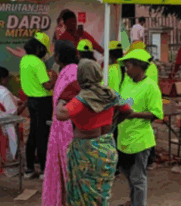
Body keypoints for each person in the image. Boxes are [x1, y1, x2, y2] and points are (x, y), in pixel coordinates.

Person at [56, 59, 133, 206]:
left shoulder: (83, 98)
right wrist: (113, 125)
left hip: (86, 152)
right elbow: (128, 110)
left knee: (84, 196)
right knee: (101, 193)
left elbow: (61, 115)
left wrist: (60, 102)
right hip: (107, 148)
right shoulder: (110, 93)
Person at [116, 49, 164, 206]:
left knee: (138, 177)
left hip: (140, 140)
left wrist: (134, 114)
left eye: (129, 66)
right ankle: (134, 201)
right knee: (127, 173)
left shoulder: (151, 87)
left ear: (139, 66)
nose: (126, 70)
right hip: (124, 137)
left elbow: (156, 113)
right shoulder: (126, 82)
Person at [42, 40, 81, 206]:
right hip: (61, 128)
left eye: (55, 53)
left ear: (59, 55)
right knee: (61, 170)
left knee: (68, 171)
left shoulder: (72, 72)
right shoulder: (66, 71)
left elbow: (72, 102)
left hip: (68, 128)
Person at [19, 32, 57, 179]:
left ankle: (29, 169)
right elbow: (47, 85)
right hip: (43, 102)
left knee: (33, 134)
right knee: (43, 136)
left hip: (31, 101)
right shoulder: (37, 62)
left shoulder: (24, 60)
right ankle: (43, 169)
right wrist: (54, 78)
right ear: (39, 48)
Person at [0, 66, 25, 170]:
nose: (8, 81)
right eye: (7, 78)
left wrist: (18, 101)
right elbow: (14, 114)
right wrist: (25, 104)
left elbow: (10, 100)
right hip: (5, 125)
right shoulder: (4, 92)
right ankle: (15, 156)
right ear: (2, 79)